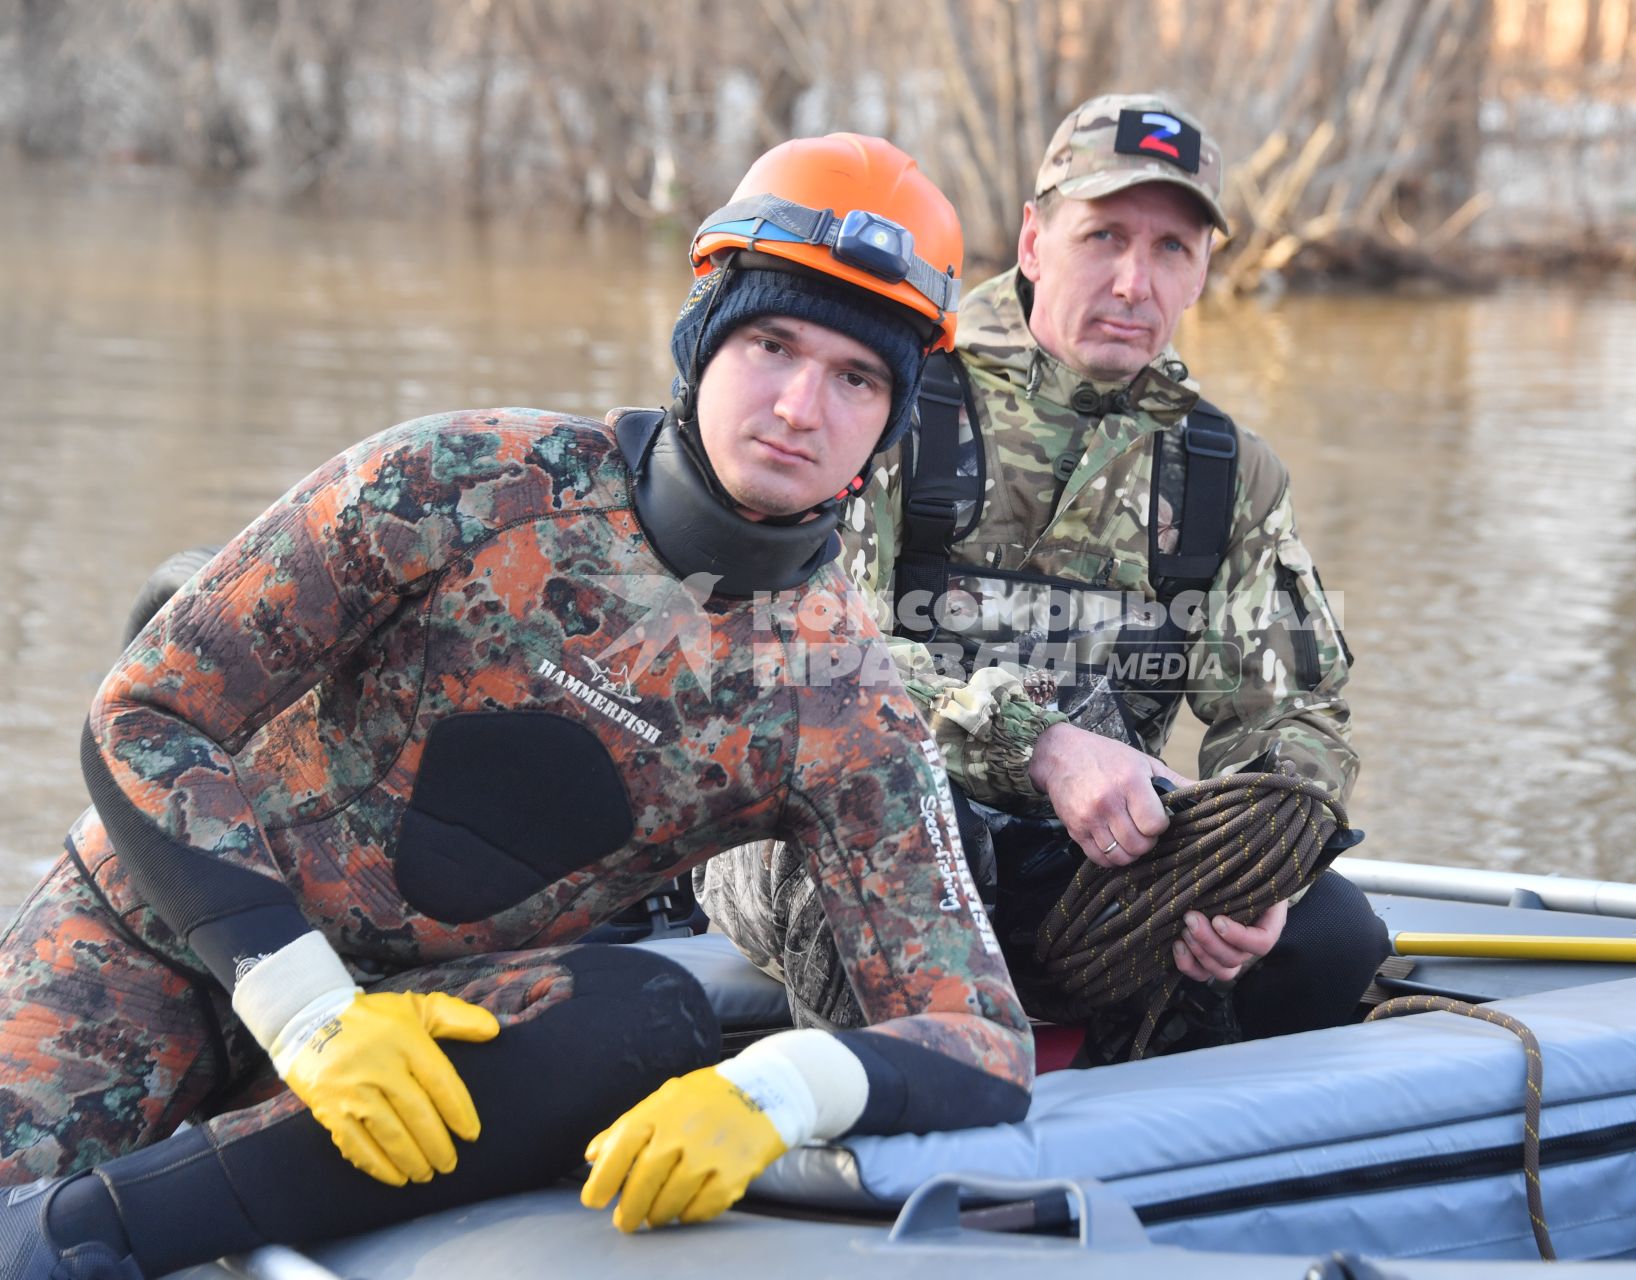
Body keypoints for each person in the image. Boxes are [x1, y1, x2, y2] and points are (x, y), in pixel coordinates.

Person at [0, 134, 1029, 1278]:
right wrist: (306, 1011)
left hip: (424, 1027)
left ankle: (82, 1238)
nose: (800, 405)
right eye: (772, 343)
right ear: (702, 337)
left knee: (648, 1016)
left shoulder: (840, 694)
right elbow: (146, 707)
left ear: (891, 424)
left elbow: (981, 1035)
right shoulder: (463, 480)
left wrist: (779, 1090)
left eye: (857, 377)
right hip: (163, 937)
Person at [699, 95, 1389, 1063]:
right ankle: (882, 1135)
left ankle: (1173, 1142)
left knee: (1335, 936)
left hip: (1079, 868)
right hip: (840, 821)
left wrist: (1258, 868)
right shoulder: (893, 390)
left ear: (1202, 274)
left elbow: (1296, 713)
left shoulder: (1227, 471)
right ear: (1033, 238)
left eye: (1171, 251)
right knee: (911, 867)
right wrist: (1038, 744)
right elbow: (813, 652)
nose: (1132, 281)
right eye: (1102, 235)